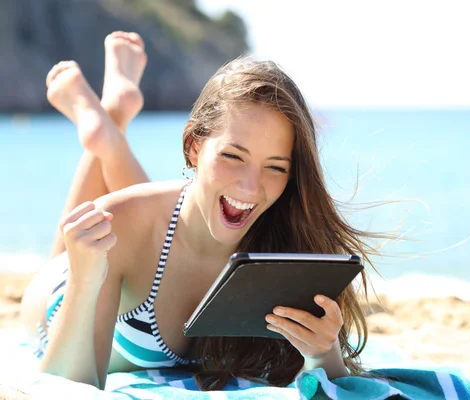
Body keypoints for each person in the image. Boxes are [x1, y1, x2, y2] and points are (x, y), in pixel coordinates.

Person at [20, 31, 391, 391]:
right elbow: (67, 386)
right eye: (232, 156)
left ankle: (110, 121)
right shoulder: (122, 222)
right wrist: (85, 279)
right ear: (193, 146)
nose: (250, 186)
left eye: (275, 167)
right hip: (63, 295)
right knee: (116, 220)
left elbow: (331, 378)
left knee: (172, 209)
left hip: (158, 227)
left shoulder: (287, 244)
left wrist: (324, 353)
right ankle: (106, 125)